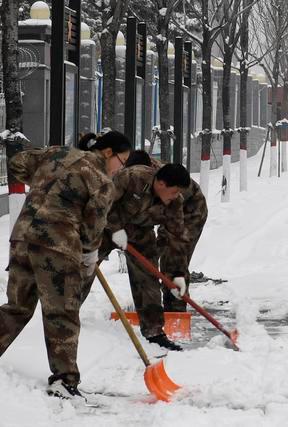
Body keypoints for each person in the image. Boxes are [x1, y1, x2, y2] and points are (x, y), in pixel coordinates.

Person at [0, 131, 131, 400]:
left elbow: (18, 162)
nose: (122, 167)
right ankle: (64, 380)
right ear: (108, 153)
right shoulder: (102, 182)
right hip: (56, 247)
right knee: (62, 312)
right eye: (123, 160)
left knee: (17, 307)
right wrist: (89, 254)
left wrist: (44, 184)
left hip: (22, 238)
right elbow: (94, 227)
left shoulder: (59, 153)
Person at [83, 162, 191, 351]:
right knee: (83, 269)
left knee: (148, 278)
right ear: (161, 184)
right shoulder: (133, 177)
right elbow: (101, 203)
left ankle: (154, 332)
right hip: (104, 228)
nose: (176, 196)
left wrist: (178, 274)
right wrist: (115, 228)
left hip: (139, 232)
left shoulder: (175, 201)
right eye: (174, 191)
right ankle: (64, 315)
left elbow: (177, 238)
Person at [125, 150, 209, 312]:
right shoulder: (128, 175)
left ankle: (175, 310)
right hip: (161, 206)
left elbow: (176, 238)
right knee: (143, 255)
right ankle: (148, 308)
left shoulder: (162, 179)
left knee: (172, 258)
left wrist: (178, 272)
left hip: (190, 210)